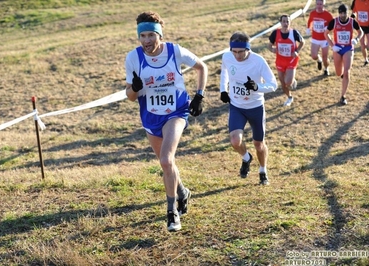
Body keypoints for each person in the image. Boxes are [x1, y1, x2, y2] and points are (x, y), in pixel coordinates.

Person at [125, 11, 208, 232]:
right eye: (142, 36)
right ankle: (182, 191)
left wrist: (199, 95)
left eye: (151, 35)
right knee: (167, 164)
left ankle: (172, 213)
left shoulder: (174, 51)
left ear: (159, 35)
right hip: (151, 115)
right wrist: (134, 87)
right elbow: (131, 97)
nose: (146, 41)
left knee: (166, 159)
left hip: (176, 112)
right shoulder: (133, 58)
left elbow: (202, 67)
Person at [220, 31, 277, 185]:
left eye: (241, 52)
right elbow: (224, 71)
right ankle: (246, 158)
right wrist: (223, 90)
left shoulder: (258, 61)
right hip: (237, 106)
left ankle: (263, 170)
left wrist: (257, 87)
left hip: (255, 107)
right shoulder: (227, 56)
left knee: (259, 144)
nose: (237, 56)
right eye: (234, 52)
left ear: (248, 49)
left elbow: (273, 84)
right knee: (235, 141)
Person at [324, 4, 363, 105]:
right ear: (339, 13)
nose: (342, 15)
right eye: (341, 13)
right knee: (338, 73)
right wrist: (332, 46)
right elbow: (326, 33)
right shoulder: (334, 22)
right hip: (337, 48)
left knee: (347, 71)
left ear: (347, 13)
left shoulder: (352, 22)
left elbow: (360, 32)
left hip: (348, 48)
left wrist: (356, 39)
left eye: (344, 13)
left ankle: (343, 96)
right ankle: (341, 75)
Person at [268, 14, 305, 106]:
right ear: (280, 22)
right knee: (283, 83)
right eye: (283, 21)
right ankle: (289, 97)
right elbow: (269, 45)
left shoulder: (294, 33)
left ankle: (291, 80)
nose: (285, 23)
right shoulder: (275, 33)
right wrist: (272, 49)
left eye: (287, 21)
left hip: (291, 60)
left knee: (288, 82)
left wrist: (297, 51)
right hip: (280, 60)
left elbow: (302, 42)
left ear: (290, 22)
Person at [306, 0, 334, 75]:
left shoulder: (328, 15)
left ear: (323, 4)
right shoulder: (312, 13)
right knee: (314, 56)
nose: (319, 6)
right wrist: (308, 28)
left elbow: (333, 25)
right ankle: (319, 60)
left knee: (325, 57)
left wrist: (328, 28)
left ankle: (326, 68)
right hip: (315, 38)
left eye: (320, 4)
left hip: (325, 39)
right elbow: (310, 21)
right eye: (317, 4)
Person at [351, 0, 369, 65]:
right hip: (360, 26)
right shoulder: (356, 1)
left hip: (368, 25)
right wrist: (354, 15)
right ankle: (365, 59)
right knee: (362, 44)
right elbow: (353, 11)